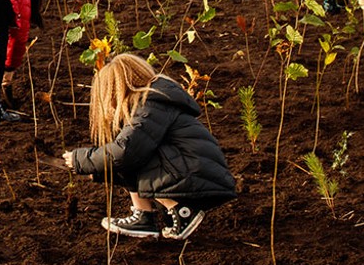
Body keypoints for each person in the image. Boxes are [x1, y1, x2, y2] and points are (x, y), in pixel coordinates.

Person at [61, 53, 236, 241]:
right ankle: (143, 216)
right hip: (194, 171)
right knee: (125, 156)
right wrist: (99, 170)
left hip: (197, 173)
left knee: (133, 152)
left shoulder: (152, 104)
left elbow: (125, 152)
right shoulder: (152, 102)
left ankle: (182, 211)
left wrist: (81, 159)